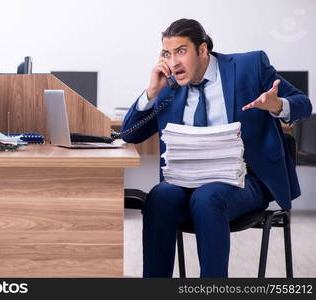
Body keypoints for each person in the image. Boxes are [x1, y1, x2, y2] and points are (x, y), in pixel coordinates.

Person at [121, 18, 312, 277]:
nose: (174, 61)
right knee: (159, 197)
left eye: (181, 51)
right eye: (167, 53)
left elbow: (303, 104)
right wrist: (151, 91)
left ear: (202, 50)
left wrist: (278, 105)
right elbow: (130, 133)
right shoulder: (169, 87)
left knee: (208, 197)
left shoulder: (249, 66)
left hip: (244, 180)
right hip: (184, 181)